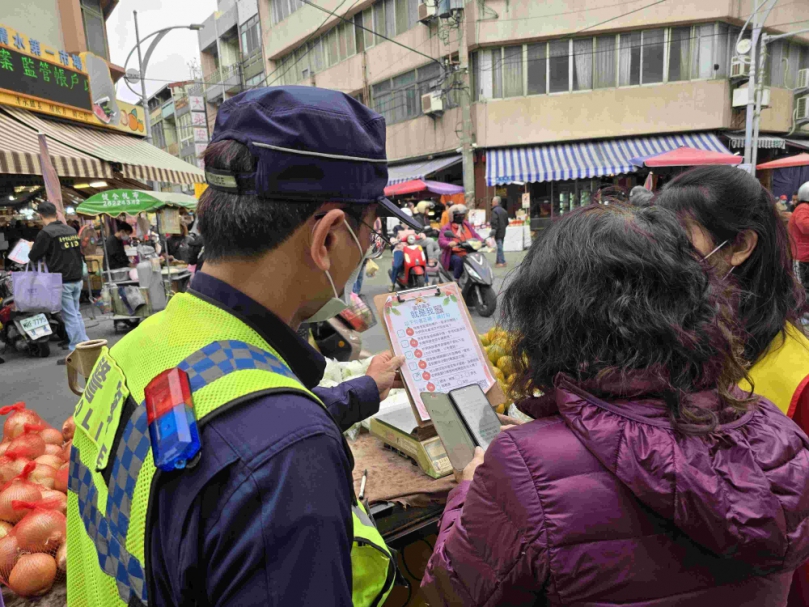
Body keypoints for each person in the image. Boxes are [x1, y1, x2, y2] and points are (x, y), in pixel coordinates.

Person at [67, 87, 422, 607]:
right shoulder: (288, 458)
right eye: (372, 229)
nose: (370, 248)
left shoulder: (139, 348)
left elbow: (219, 438)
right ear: (326, 239)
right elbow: (255, 445)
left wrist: (366, 389)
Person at [421, 203, 809, 606]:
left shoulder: (522, 467)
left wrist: (469, 487)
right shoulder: (773, 429)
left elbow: (450, 592)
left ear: (549, 321)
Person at [656, 167, 809, 605]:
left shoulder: (796, 375)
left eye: (681, 244)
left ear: (740, 246)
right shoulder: (679, 343)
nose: (665, 261)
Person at [28, 201, 89, 360]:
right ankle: (85, 345)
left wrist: (31, 246)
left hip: (62, 280)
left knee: (70, 316)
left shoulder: (46, 233)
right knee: (75, 313)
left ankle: (77, 351)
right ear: (56, 213)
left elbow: (33, 256)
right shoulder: (69, 229)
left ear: (40, 216)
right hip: (77, 278)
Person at [438, 204, 482, 279]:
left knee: (480, 260)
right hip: (454, 253)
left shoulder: (466, 225)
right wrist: (449, 243)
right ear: (452, 216)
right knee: (458, 261)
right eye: (458, 215)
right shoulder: (446, 228)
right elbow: (441, 241)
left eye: (462, 215)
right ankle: (456, 280)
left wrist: (482, 241)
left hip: (470, 252)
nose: (461, 217)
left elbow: (475, 235)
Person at [789, 181, 809, 299]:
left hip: (806, 256)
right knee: (801, 288)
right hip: (801, 257)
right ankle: (800, 314)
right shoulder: (803, 208)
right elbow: (805, 227)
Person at [489, 195, 508, 267]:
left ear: (495, 202)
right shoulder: (504, 211)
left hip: (497, 231)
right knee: (500, 246)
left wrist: (493, 231)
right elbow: (507, 222)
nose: (492, 203)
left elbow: (494, 222)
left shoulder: (494, 211)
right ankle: (498, 261)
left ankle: (501, 262)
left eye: (492, 201)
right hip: (503, 231)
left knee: (499, 247)